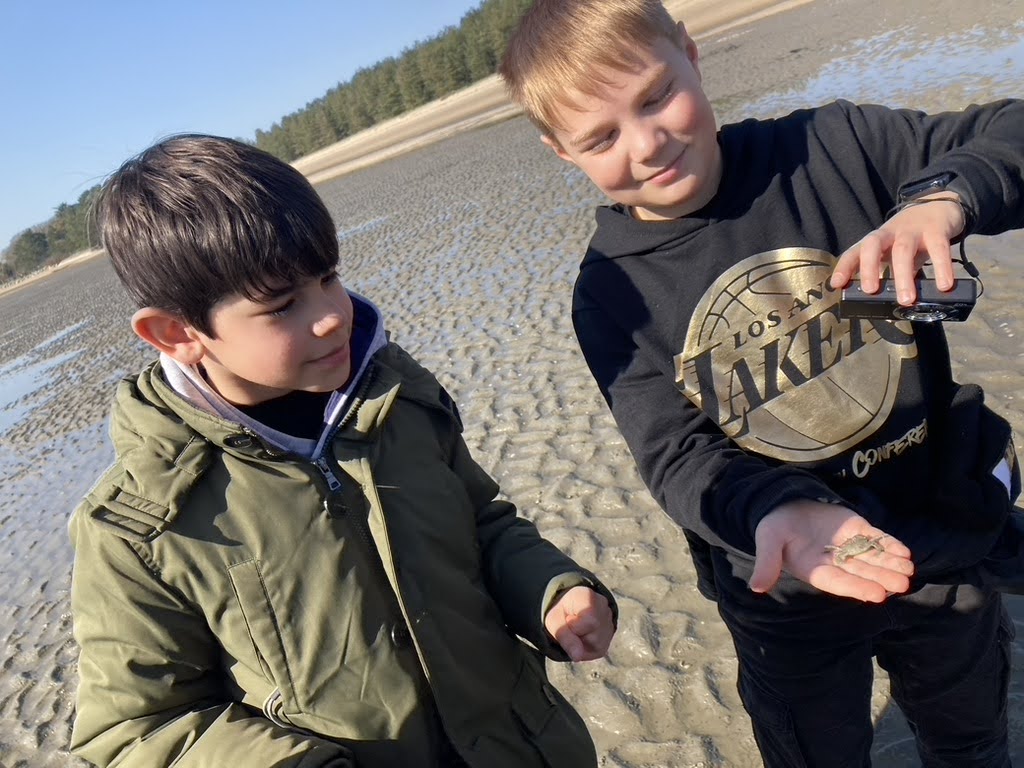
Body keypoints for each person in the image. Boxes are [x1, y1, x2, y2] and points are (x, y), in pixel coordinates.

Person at [498, 1, 1024, 765]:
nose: (647, 144)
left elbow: (1008, 128)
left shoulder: (835, 147)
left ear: (690, 53)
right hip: (785, 591)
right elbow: (677, 455)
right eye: (601, 138)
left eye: (656, 96)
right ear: (560, 151)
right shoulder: (609, 293)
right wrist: (779, 507)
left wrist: (943, 200)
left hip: (940, 538)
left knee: (971, 743)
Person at [67, 134, 617, 768]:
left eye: (328, 277)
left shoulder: (397, 397)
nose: (332, 315)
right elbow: (137, 729)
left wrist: (549, 590)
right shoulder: (139, 528)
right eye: (281, 305)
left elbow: (484, 523)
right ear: (176, 333)